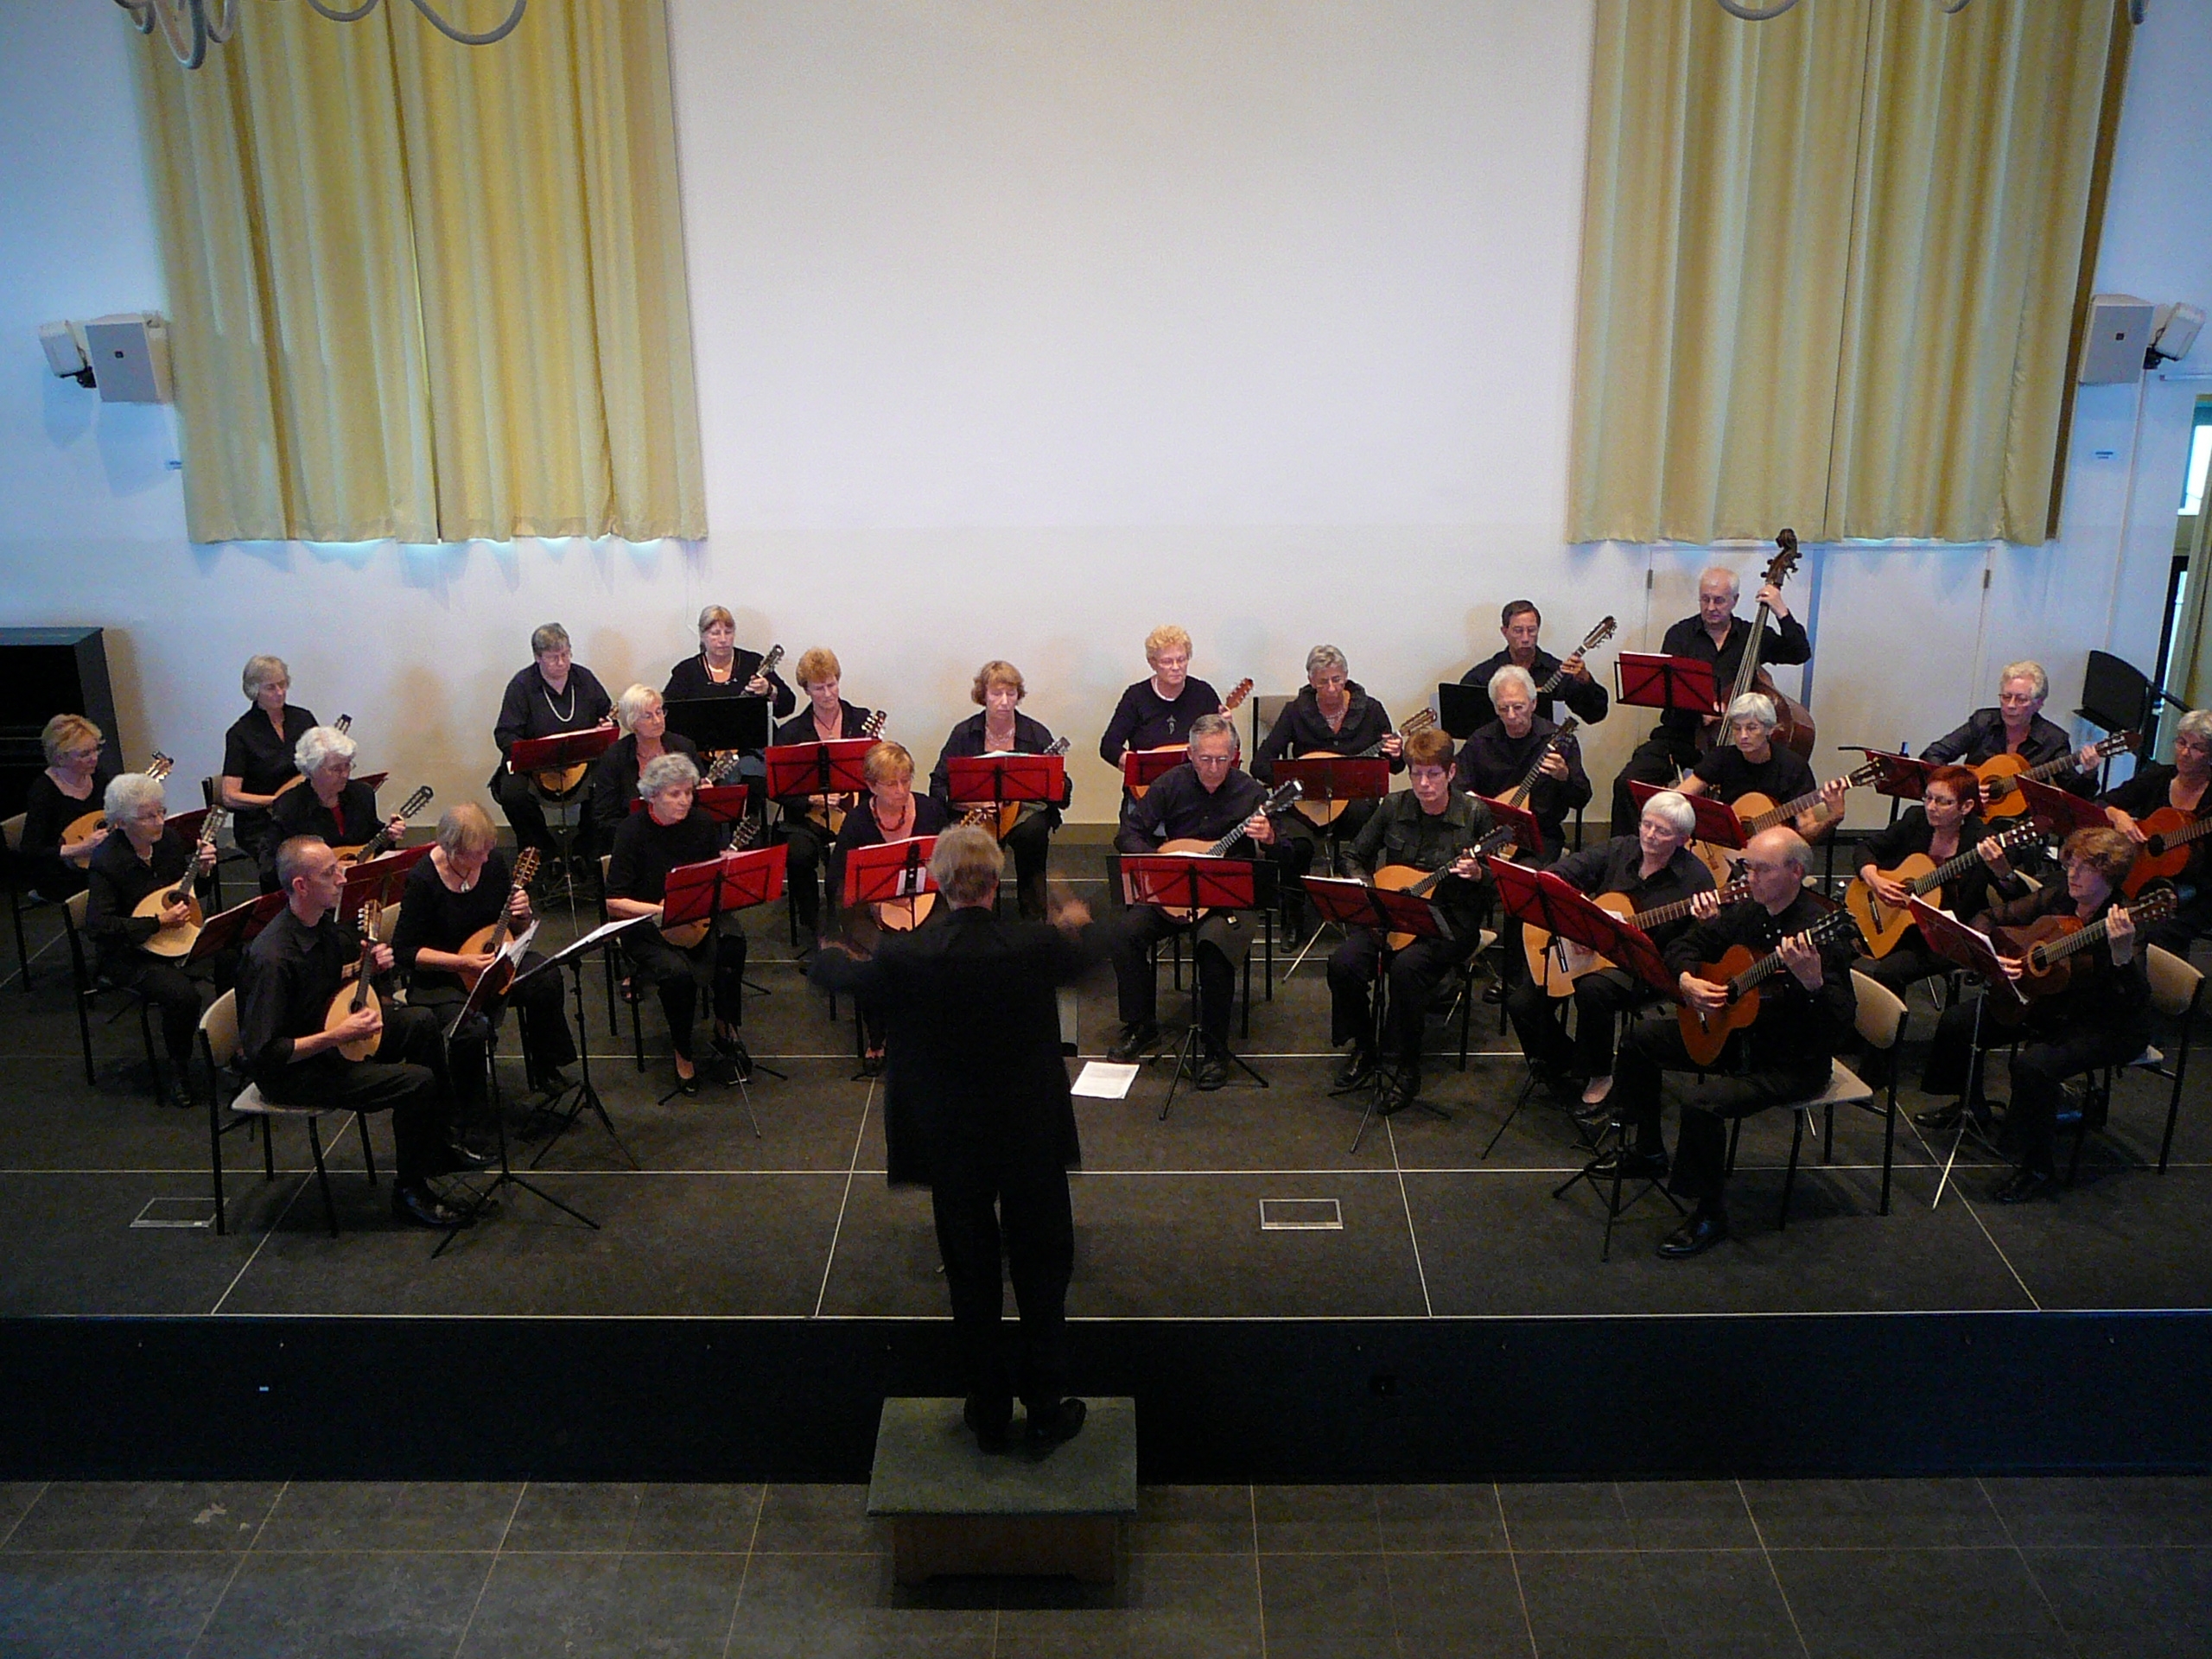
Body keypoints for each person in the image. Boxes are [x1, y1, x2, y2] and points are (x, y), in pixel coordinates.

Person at [809, 825, 1095, 1450]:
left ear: (939, 885)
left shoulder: (906, 955)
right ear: (996, 882)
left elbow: (838, 976)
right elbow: (1094, 953)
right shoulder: (1036, 945)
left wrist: (830, 950)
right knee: (1043, 1268)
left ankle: (987, 1410)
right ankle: (1045, 1406)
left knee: (970, 1273)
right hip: (1028, 1132)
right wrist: (1074, 921)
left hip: (952, 1137)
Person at [1602, 827, 1858, 1258]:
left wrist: (1814, 984)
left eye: (1761, 870)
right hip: (1734, 1038)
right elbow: (1687, 945)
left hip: (1789, 1061)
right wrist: (1687, 980)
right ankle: (1647, 1151)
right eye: (1747, 867)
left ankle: (1709, 1214)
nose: (1749, 878)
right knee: (1637, 1040)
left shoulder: (1819, 933)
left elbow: (1839, 1027)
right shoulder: (1750, 910)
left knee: (1702, 1104)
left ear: (1796, 872)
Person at [234, 836, 473, 1230]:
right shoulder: (273, 958)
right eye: (331, 873)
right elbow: (266, 1053)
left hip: (330, 1034)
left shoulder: (322, 925)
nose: (343, 879)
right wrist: (339, 1036)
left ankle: (438, 1146)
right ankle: (411, 1193)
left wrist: (368, 966)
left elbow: (328, 985)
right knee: (417, 1082)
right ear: (301, 886)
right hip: (296, 1072)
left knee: (420, 1022)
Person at [1916, 829, 2153, 1205]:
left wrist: (2122, 957)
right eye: (2071, 863)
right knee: (1959, 1022)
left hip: (2106, 1022)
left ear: (2109, 876)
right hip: (2049, 1003)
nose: (2073, 873)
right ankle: (1971, 1106)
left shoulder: (2125, 922)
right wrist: (1997, 955)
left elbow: (2135, 999)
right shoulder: (2060, 895)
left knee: (2034, 1066)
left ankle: (2037, 1168)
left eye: (2085, 868)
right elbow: (1989, 917)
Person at [1505, 790, 1715, 1115]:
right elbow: (1558, 875)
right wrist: (1579, 922)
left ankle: (1600, 1075)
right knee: (1522, 1002)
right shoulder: (1621, 849)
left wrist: (1709, 921)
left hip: (1645, 966)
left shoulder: (1696, 880)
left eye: (1662, 831)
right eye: (1646, 824)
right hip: (1591, 952)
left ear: (1683, 839)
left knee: (1593, 990)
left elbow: (1695, 945)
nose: (1649, 835)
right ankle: (1563, 1064)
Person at [1108, 714, 1285, 1088]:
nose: (1214, 767)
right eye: (1205, 759)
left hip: (1228, 896)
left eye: (1222, 759)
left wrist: (1269, 838)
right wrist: (1163, 862)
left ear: (1234, 756)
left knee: (1213, 946)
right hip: (1174, 889)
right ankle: (1141, 1025)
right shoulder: (1171, 783)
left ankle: (1215, 1049)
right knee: (1124, 934)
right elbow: (1128, 834)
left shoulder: (1251, 793)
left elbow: (1287, 853)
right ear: (1190, 754)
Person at [1327, 727, 1494, 1111]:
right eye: (1417, 774)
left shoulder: (1475, 815)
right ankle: (1365, 1046)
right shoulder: (1393, 807)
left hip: (1450, 923)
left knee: (1406, 970)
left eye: (1433, 774)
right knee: (1342, 964)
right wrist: (1370, 890)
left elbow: (1496, 886)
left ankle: (1406, 1068)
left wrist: (1478, 875)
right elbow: (1353, 856)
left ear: (1451, 772)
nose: (1424, 784)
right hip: (1394, 915)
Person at [391, 804, 579, 1124]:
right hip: (445, 976)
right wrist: (462, 962)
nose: (487, 859)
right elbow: (405, 951)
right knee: (471, 1028)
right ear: (452, 849)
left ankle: (545, 1067)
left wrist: (523, 914)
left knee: (544, 977)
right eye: (478, 853)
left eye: (489, 849)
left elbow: (511, 925)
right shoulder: (423, 879)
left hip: (493, 961)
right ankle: (468, 1109)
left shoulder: (492, 865)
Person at [1607, 566, 1810, 830]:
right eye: (1705, 599)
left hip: (1734, 746)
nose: (1711, 607)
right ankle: (1626, 850)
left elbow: (1799, 652)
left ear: (1735, 600)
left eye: (1719, 600)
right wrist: (1698, 707)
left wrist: (1780, 610)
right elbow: (1668, 694)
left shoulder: (1752, 635)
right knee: (1627, 783)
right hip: (1681, 736)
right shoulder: (1680, 635)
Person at [603, 753, 751, 1095]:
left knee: (733, 941)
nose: (684, 800)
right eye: (675, 794)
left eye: (688, 792)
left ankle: (725, 1026)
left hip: (696, 915)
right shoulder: (631, 831)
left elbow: (711, 877)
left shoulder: (701, 823)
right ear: (652, 796)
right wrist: (659, 910)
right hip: (646, 922)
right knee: (677, 974)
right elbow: (614, 901)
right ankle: (682, 1051)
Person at [83, 772, 217, 1109]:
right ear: (121, 823)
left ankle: (238, 1047)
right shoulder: (107, 861)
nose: (159, 822)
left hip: (175, 936)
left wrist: (202, 873)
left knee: (236, 957)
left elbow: (185, 895)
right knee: (182, 996)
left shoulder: (167, 841)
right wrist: (156, 922)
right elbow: (98, 926)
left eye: (161, 812)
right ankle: (179, 1069)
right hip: (129, 953)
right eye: (147, 817)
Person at [831, 741, 953, 1074]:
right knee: (877, 955)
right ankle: (878, 1036)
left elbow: (949, 862)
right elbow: (839, 880)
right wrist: (879, 895)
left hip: (926, 900)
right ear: (872, 786)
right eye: (891, 783)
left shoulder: (930, 810)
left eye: (906, 780)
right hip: (869, 907)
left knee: (940, 945)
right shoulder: (858, 821)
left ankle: (932, 1030)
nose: (901, 790)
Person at [1852, 764, 2024, 998]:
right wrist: (1874, 879)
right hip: (1897, 920)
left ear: (1966, 806)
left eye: (1943, 802)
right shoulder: (1916, 819)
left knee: (1888, 973)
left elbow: (2017, 898)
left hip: (1945, 937)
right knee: (1839, 944)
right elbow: (1866, 848)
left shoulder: (1982, 841)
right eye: (1928, 798)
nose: (1931, 807)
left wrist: (2003, 872)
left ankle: (1891, 1021)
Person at [928, 661, 1072, 920]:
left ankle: (1033, 917)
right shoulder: (964, 734)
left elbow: (1062, 790)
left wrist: (1057, 782)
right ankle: (975, 916)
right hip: (977, 813)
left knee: (1034, 831)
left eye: (1011, 693)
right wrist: (969, 805)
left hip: (1022, 814)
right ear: (983, 696)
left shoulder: (1035, 733)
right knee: (970, 844)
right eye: (996, 694)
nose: (1005, 702)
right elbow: (939, 783)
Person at [1253, 645, 1404, 868]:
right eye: (1323, 682)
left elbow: (1395, 767)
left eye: (1337, 679)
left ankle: (1356, 881)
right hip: (1307, 803)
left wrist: (1396, 753)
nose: (1332, 688)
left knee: (1364, 821)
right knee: (1293, 842)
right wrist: (1298, 784)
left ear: (1346, 676)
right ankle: (1296, 887)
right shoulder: (1296, 711)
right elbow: (1260, 765)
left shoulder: (1371, 710)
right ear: (1311, 681)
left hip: (1356, 805)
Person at [771, 647, 881, 945]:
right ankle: (815, 924)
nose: (828, 694)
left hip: (855, 814)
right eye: (819, 688)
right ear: (806, 690)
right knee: (798, 853)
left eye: (832, 684)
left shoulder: (860, 720)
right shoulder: (792, 733)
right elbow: (778, 789)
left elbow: (877, 773)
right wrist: (812, 799)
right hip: (808, 820)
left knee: (867, 844)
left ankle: (865, 920)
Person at [490, 623, 614, 867]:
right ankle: (542, 852)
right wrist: (531, 755)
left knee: (609, 781)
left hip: (582, 760)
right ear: (538, 657)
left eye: (566, 654)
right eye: (553, 657)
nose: (562, 662)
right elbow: (505, 734)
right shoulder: (522, 685)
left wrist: (607, 726)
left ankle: (588, 848)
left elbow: (606, 713)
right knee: (512, 793)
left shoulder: (584, 678)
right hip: (534, 765)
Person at [2099, 708, 2212, 957]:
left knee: (2159, 934)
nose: (2185, 752)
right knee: (2096, 901)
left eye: (2197, 748)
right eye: (2181, 742)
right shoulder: (2159, 777)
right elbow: (2103, 802)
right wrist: (2118, 816)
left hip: (2196, 889)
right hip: (2140, 874)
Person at [1458, 664, 1591, 863]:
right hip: (1490, 835)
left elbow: (1581, 799)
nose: (1511, 716)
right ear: (1495, 708)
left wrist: (1564, 777)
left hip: (1541, 837)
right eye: (1504, 708)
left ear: (1533, 703)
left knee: (1526, 875)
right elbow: (1458, 789)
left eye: (1518, 707)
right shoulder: (1481, 741)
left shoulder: (1559, 741)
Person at [1923, 661, 2104, 805]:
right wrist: (1961, 787)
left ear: (2039, 703)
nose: (2010, 705)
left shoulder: (2054, 739)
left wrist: (2090, 772)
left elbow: (2076, 796)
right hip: (1970, 814)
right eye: (2006, 697)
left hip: (2019, 825)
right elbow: (1933, 754)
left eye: (2021, 699)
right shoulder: (1983, 721)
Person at [1679, 693, 1840, 843]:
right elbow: (1679, 796)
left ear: (1769, 729)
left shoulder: (1794, 767)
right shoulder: (1722, 757)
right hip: (1726, 847)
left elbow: (1806, 833)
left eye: (1751, 728)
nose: (1743, 736)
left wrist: (1833, 817)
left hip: (1775, 849)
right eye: (1737, 728)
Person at [262, 725, 404, 892]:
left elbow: (371, 842)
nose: (345, 774)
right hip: (314, 893)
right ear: (312, 769)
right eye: (336, 769)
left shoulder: (362, 794)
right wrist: (328, 869)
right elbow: (271, 868)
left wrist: (388, 837)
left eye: (347, 766)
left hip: (358, 886)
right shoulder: (289, 806)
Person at [219, 655, 319, 869]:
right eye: (270, 688)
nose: (280, 692)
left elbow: (318, 765)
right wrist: (275, 800)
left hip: (304, 812)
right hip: (262, 822)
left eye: (282, 684)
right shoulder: (240, 734)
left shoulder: (303, 719)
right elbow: (230, 796)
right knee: (292, 861)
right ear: (254, 691)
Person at [583, 684, 700, 856]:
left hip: (681, 833)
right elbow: (605, 816)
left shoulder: (684, 747)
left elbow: (697, 798)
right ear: (633, 722)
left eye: (659, 712)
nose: (657, 721)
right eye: (648, 716)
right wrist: (640, 835)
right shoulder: (614, 757)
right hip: (634, 841)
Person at [1460, 599, 1610, 732]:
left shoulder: (1555, 670)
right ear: (1505, 632)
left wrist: (1585, 681)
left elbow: (1595, 715)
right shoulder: (1484, 675)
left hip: (1545, 749)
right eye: (1518, 631)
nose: (1526, 638)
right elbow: (1464, 719)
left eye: (1531, 630)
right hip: (1496, 751)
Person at [19, 714, 116, 900]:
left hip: (95, 860)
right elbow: (31, 851)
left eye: (95, 750)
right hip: (59, 871)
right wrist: (81, 847)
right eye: (85, 754)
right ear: (60, 758)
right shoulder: (44, 791)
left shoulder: (98, 777)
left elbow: (109, 817)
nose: (94, 758)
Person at [1098, 625, 1222, 769]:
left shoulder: (1203, 693)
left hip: (1195, 780)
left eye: (1181, 660)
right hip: (1149, 781)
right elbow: (1109, 746)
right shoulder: (1136, 697)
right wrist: (1135, 763)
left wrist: (1227, 729)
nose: (1176, 667)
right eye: (1167, 662)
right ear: (1153, 663)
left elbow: (1228, 747)